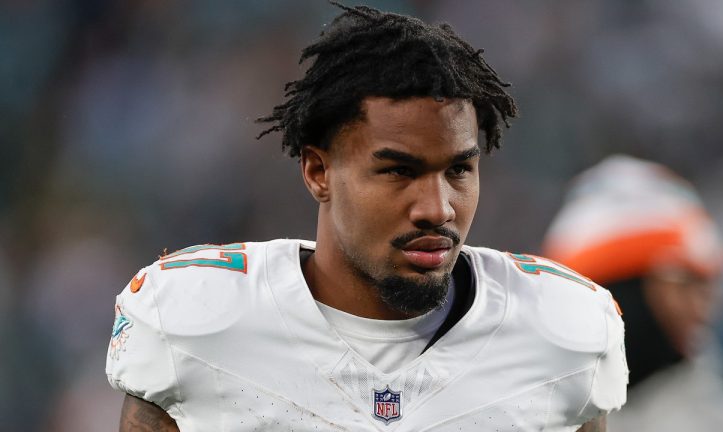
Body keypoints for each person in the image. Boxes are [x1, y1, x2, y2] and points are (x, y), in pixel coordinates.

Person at [106, 4, 627, 431]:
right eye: (399, 171)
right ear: (317, 172)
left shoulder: (562, 332)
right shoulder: (194, 320)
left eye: (459, 170)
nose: (438, 208)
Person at [542, 155, 723, 431]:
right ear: (619, 290)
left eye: (708, 285)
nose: (707, 306)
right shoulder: (519, 418)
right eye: (685, 283)